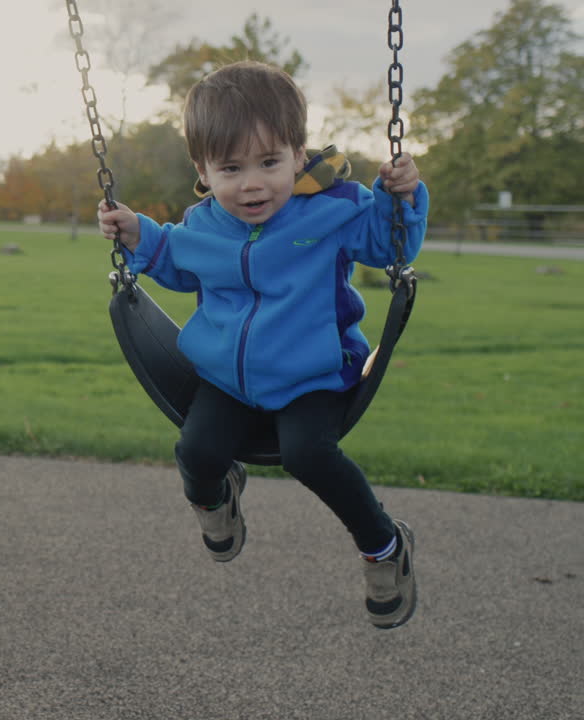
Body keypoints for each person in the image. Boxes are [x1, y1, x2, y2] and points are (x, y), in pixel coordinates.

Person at [97, 60, 428, 629]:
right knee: (196, 454)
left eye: (269, 162)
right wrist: (137, 234)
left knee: (308, 454)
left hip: (315, 376)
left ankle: (383, 548)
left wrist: (401, 197)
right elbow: (174, 258)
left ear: (299, 157)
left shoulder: (333, 210)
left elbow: (385, 243)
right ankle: (216, 494)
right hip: (228, 380)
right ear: (203, 169)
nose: (252, 183)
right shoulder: (204, 224)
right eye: (231, 167)